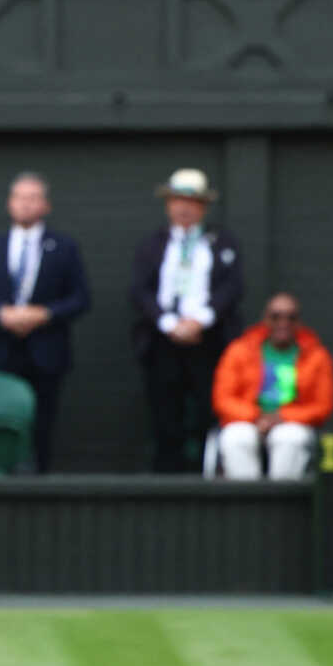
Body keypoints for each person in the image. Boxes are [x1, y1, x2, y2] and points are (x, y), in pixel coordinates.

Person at [0, 172, 88, 475]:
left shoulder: (64, 247)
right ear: (10, 203)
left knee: (41, 423)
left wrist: (43, 314)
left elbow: (80, 298)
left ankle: (39, 482)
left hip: (45, 353)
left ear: (45, 205)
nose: (26, 205)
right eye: (20, 198)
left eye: (33, 198)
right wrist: (1, 313)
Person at [130, 168, 243, 474]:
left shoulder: (221, 242)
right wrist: (168, 324)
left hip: (207, 340)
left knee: (207, 410)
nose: (184, 207)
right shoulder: (152, 244)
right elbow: (140, 290)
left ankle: (203, 473)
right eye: (178, 200)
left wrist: (200, 321)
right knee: (165, 412)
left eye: (192, 201)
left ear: (203, 206)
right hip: (162, 340)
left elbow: (232, 287)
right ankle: (166, 476)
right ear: (168, 204)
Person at [211, 292, 333, 480]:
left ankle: (279, 505)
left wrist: (282, 417)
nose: (283, 323)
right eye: (276, 316)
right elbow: (223, 399)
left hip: (291, 423)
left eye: (290, 317)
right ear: (265, 319)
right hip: (248, 420)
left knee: (290, 438)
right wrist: (255, 416)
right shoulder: (240, 350)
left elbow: (322, 406)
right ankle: (249, 504)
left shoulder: (317, 356)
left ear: (298, 323)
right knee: (235, 438)